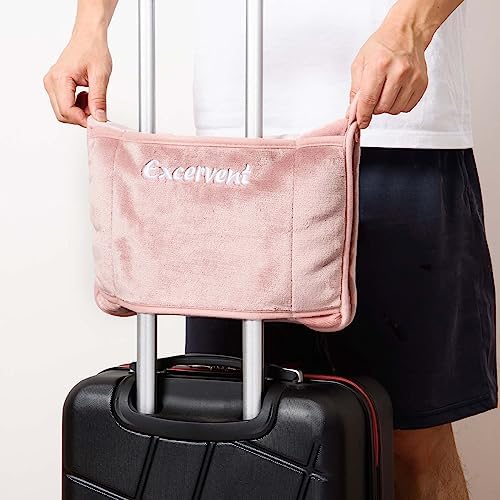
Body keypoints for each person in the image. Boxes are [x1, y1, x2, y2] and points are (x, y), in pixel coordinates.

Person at [44, 1, 496, 498]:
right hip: (233, 144)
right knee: (233, 429)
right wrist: (89, 29)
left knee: (411, 440)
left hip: (393, 125)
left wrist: (409, 28)